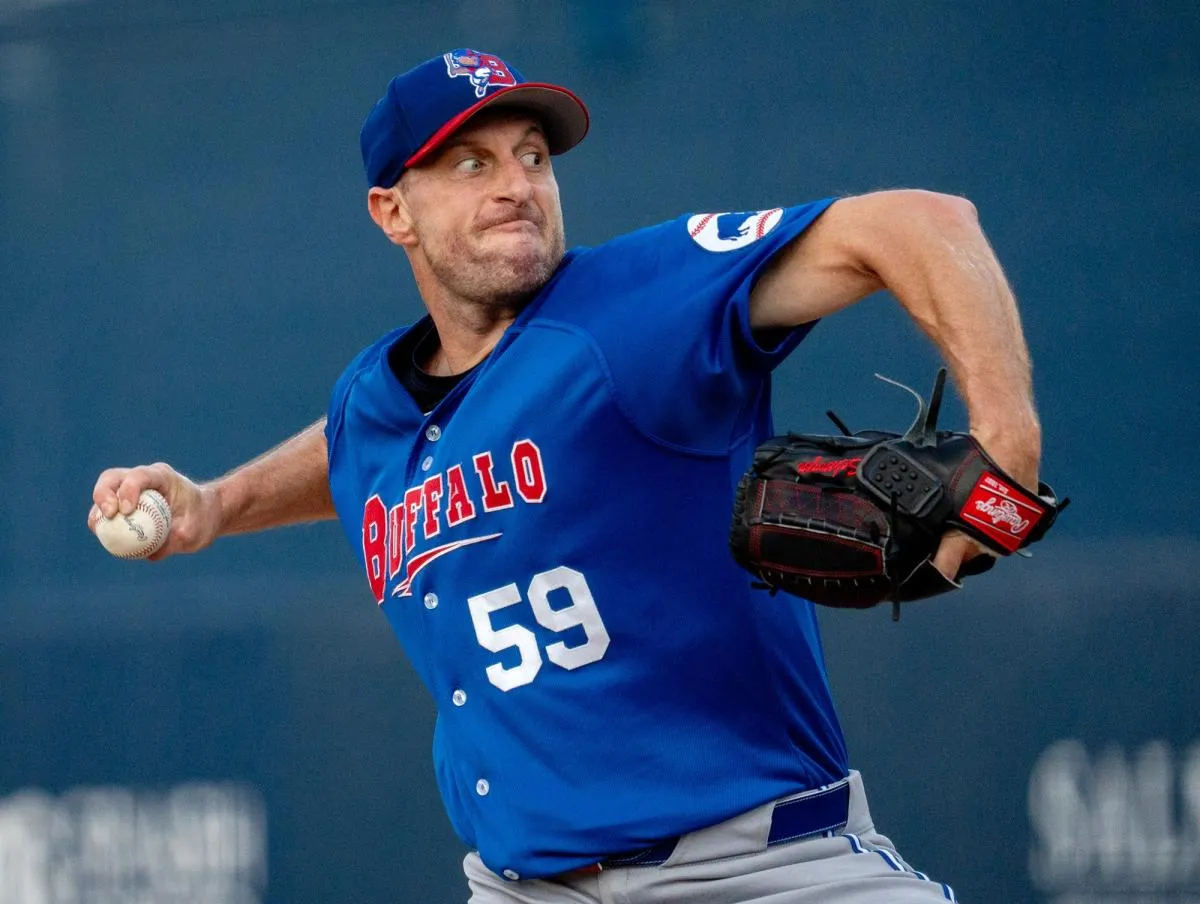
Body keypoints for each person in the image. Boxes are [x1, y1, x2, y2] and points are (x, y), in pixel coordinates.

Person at [89, 48, 1042, 903]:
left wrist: (1005, 434)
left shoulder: (631, 310)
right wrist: (215, 504)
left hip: (761, 870)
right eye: (471, 163)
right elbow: (349, 448)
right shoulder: (372, 402)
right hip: (522, 889)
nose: (516, 185)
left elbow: (918, 223)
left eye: (532, 158)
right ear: (393, 211)